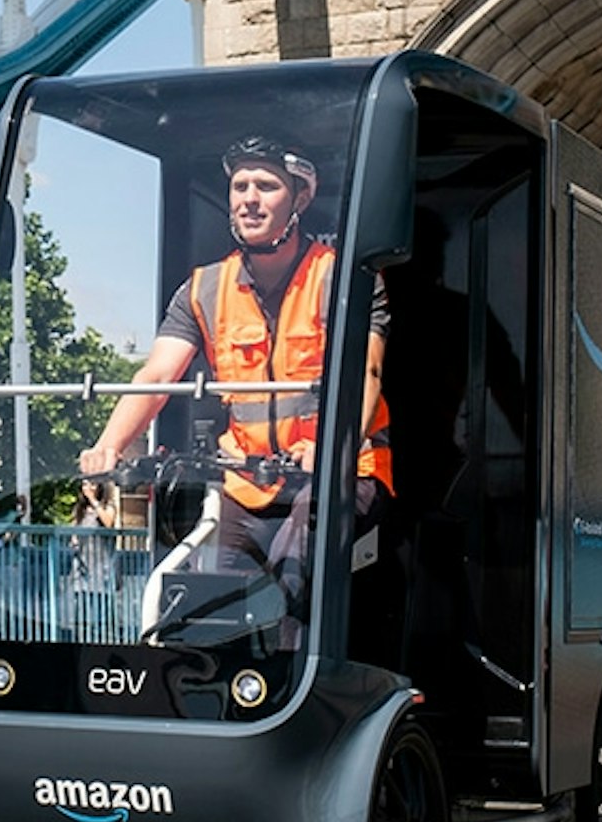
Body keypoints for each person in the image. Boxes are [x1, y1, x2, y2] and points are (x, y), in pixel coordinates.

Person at [79, 134, 392, 624]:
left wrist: (334, 447)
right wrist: (109, 446)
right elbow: (159, 372)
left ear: (301, 198)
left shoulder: (345, 279)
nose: (249, 198)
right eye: (240, 185)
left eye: (266, 185)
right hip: (248, 481)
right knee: (213, 608)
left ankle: (292, 694)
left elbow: (367, 371)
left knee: (292, 574)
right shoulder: (205, 288)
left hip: (337, 472)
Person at [68, 478, 118, 641]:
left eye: (92, 484)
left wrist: (94, 501)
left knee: (101, 621)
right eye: (84, 484)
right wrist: (73, 540)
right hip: (82, 571)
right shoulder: (79, 510)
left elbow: (109, 523)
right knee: (80, 618)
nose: (88, 488)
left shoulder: (106, 507)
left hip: (101, 572)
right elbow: (73, 531)